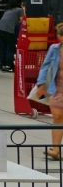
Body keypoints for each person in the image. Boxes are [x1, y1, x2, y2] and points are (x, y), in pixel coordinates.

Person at [33, 28, 63, 160]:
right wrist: (41, 84)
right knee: (57, 117)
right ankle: (56, 150)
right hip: (56, 88)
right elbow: (45, 66)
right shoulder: (54, 49)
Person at [0, 0, 23, 72]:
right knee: (13, 48)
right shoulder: (19, 10)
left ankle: (3, 65)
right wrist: (24, 10)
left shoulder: (8, 9)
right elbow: (23, 21)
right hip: (8, 30)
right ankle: (8, 66)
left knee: (2, 48)